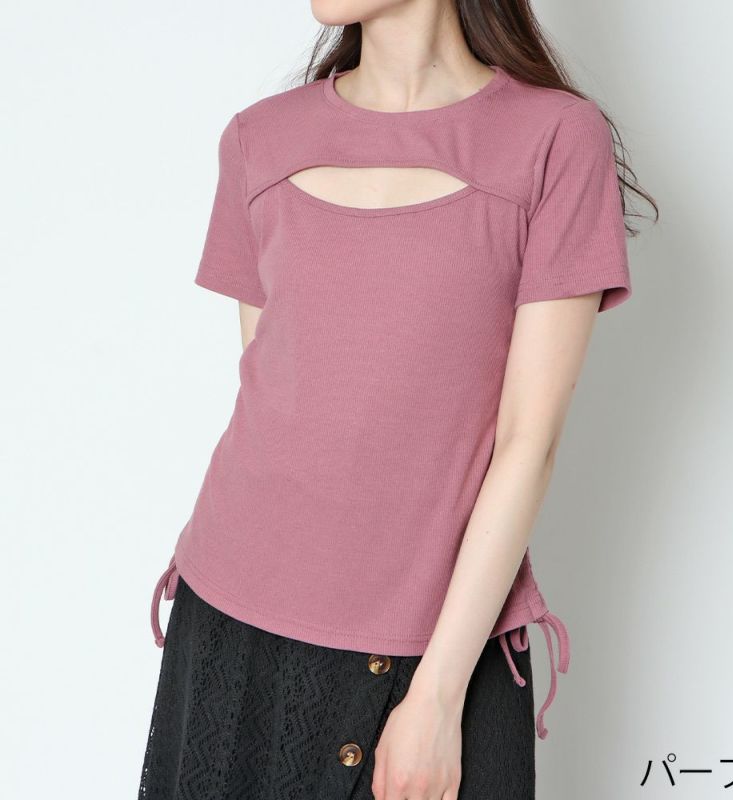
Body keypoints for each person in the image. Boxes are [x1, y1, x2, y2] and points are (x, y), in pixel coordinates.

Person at [139, 1, 657, 798]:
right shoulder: (259, 138)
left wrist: (439, 697)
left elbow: (529, 441)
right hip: (232, 617)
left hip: (441, 647)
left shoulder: (554, 138)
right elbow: (274, 387)